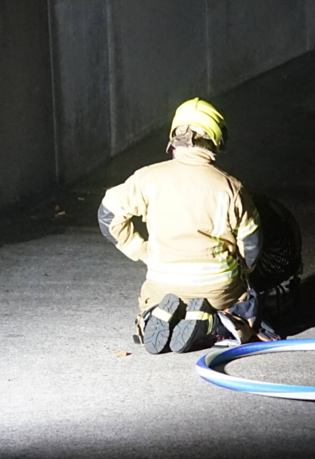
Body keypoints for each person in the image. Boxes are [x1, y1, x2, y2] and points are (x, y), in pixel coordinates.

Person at [97, 98, 277, 354]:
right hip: (217, 288)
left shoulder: (147, 177)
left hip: (163, 282)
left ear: (174, 137)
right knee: (244, 311)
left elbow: (107, 215)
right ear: (216, 139)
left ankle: (153, 316)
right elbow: (251, 243)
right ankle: (214, 323)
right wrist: (245, 270)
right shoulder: (231, 187)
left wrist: (141, 250)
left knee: (152, 300)